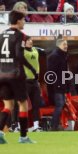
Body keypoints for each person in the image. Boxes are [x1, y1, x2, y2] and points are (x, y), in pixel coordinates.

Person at [0, 10, 36, 144]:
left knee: (8, 105)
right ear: (19, 20)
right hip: (15, 74)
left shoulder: (1, 35)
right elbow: (19, 55)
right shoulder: (21, 36)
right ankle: (23, 137)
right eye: (24, 20)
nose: (25, 22)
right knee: (23, 104)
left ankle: (0, 134)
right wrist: (31, 68)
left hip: (2, 74)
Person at [47, 35, 70, 131]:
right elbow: (51, 73)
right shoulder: (55, 56)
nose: (66, 46)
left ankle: (56, 125)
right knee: (59, 105)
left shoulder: (63, 56)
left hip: (61, 86)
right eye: (64, 44)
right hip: (57, 87)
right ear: (58, 45)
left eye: (67, 44)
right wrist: (57, 85)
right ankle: (53, 126)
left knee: (60, 105)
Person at [23, 36, 46, 132]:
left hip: (34, 81)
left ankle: (36, 126)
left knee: (36, 104)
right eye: (28, 40)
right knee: (22, 105)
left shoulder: (36, 50)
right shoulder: (21, 51)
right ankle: (20, 126)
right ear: (24, 42)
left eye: (31, 40)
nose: (30, 41)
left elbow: (45, 51)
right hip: (24, 81)